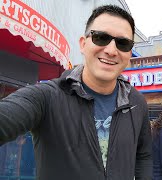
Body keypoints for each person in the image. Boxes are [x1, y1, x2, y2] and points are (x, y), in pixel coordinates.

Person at [0, 5, 152, 180]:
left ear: (129, 53)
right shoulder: (47, 96)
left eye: (123, 43)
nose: (111, 50)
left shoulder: (137, 102)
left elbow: (143, 156)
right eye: (101, 38)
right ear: (83, 44)